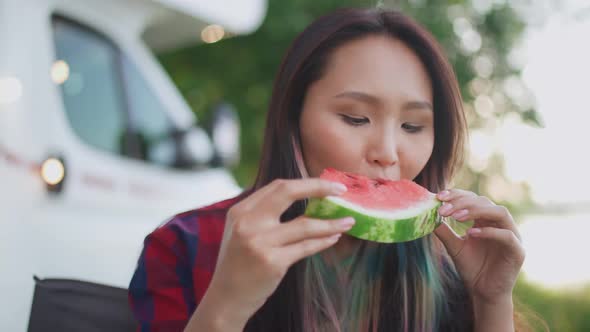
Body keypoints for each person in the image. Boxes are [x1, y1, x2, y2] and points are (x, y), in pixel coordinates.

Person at [128, 7, 532, 332]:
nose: (387, 153)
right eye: (355, 118)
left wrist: (491, 302)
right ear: (293, 118)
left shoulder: (446, 271)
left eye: (412, 126)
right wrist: (226, 305)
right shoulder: (184, 247)